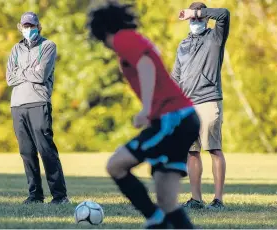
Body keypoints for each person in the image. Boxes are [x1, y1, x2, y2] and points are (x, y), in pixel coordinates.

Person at [87, 2, 200, 229]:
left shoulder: (122, 39)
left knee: (116, 165)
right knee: (167, 202)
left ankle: (154, 219)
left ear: (101, 31)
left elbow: (146, 64)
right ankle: (159, 219)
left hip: (173, 118)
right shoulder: (132, 37)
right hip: (183, 118)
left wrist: (147, 109)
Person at [171, 2, 230, 210]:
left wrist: (196, 11)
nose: (195, 21)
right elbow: (176, 77)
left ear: (205, 18)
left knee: (213, 149)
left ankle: (218, 200)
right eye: (192, 19)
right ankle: (196, 199)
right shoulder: (183, 45)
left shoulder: (215, 38)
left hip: (208, 100)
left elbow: (224, 14)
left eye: (198, 18)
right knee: (191, 152)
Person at [6, 12, 69, 205]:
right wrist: (30, 71)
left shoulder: (48, 46)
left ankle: (59, 196)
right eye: (25, 26)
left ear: (38, 26)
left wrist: (22, 71)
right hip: (17, 104)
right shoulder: (15, 49)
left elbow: (41, 75)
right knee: (26, 151)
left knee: (46, 149)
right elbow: (10, 77)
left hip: (38, 102)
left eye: (31, 26)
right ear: (20, 27)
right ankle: (35, 195)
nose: (28, 29)